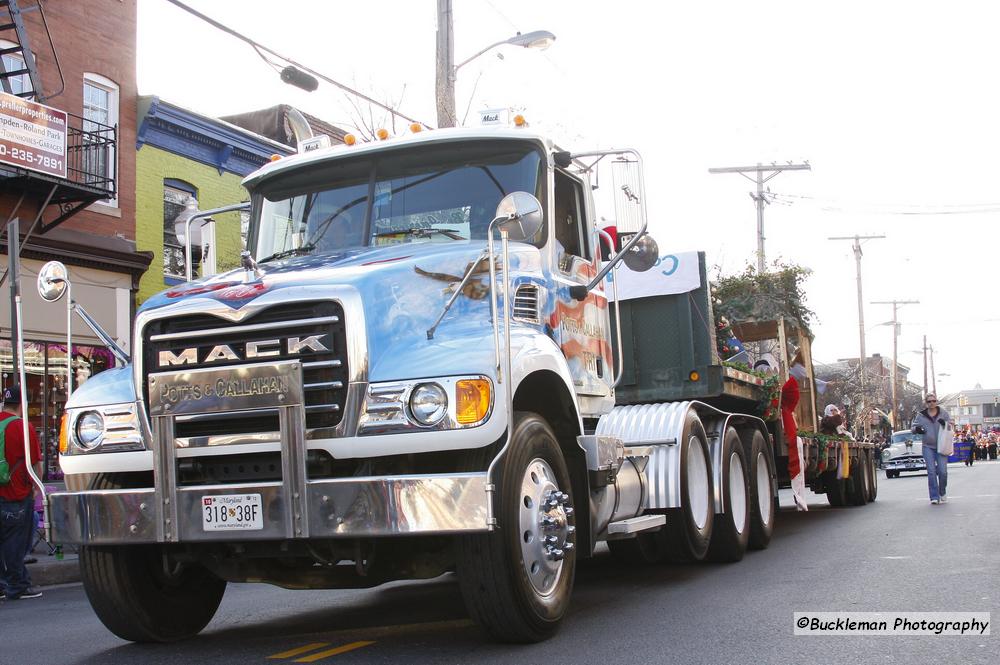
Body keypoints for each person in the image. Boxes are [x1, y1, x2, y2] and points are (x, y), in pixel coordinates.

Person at [0, 385, 43, 600]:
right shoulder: (23, 427)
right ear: (21, 404)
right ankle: (18, 585)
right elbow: (36, 464)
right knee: (15, 543)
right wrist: (36, 488)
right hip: (15, 494)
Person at [911, 393, 950, 505]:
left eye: (933, 401)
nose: (932, 403)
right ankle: (934, 496)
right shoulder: (921, 415)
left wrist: (945, 424)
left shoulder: (943, 413)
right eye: (929, 401)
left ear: (936, 401)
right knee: (931, 472)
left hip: (942, 446)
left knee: (943, 472)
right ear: (926, 403)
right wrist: (917, 429)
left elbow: (951, 426)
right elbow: (913, 428)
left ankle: (942, 492)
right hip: (928, 446)